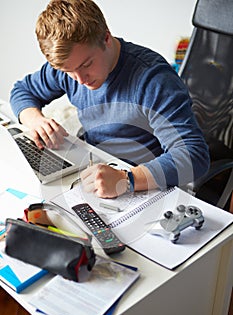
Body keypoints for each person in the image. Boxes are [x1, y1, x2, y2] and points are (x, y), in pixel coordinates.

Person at [10, 0, 210, 199]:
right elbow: (22, 91)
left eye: (87, 64)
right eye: (68, 71)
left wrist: (127, 179)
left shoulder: (154, 80)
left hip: (143, 183)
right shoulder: (71, 66)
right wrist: (35, 120)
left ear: (106, 38)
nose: (80, 80)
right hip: (93, 165)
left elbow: (193, 156)